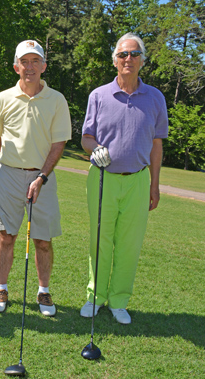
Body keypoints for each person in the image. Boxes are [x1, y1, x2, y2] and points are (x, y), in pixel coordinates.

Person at [80, 33, 168, 325]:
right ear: (114, 60)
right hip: (103, 178)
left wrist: (154, 185)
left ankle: (119, 300)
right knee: (100, 240)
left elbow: (157, 144)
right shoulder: (98, 95)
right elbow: (86, 138)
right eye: (122, 55)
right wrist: (96, 149)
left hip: (139, 180)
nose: (127, 59)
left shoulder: (155, 97)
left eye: (134, 54)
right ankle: (95, 296)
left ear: (142, 59)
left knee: (129, 243)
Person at [0, 40, 72, 315]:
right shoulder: (3, 98)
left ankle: (44, 292)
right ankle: (1, 288)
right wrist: (10, 164)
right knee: (5, 235)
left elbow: (58, 143)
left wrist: (41, 176)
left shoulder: (57, 100)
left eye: (36, 61)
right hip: (8, 177)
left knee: (43, 239)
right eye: (25, 61)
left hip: (42, 178)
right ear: (16, 67)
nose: (30, 66)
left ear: (44, 66)